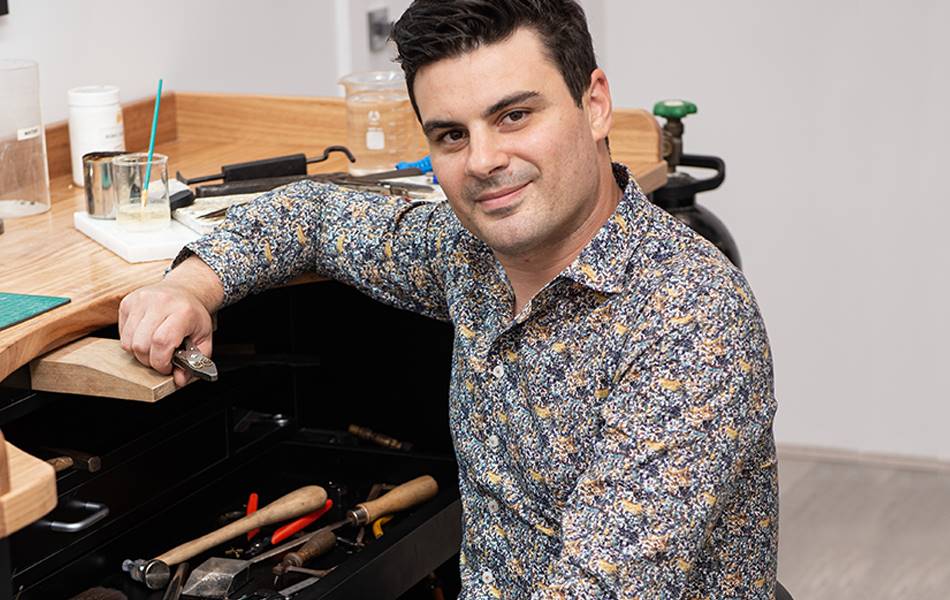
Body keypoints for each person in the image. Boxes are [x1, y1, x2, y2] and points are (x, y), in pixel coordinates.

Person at [119, 0, 778, 597]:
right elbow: (314, 216)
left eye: (514, 115)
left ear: (595, 102)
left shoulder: (689, 319)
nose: (484, 160)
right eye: (451, 135)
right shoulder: (468, 256)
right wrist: (189, 286)